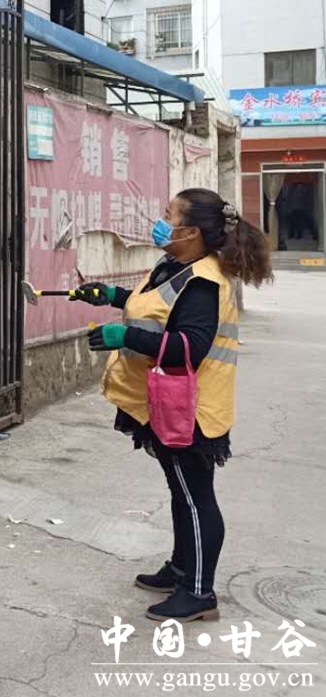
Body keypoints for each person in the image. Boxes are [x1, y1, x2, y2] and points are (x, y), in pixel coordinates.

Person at [77, 188, 272, 622]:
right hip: (167, 404)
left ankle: (199, 592)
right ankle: (182, 568)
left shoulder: (203, 282)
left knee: (195, 497)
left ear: (191, 231)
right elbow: (158, 308)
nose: (161, 222)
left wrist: (124, 336)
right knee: (180, 490)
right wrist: (110, 295)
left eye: (169, 215)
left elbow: (189, 346)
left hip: (192, 411)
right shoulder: (174, 266)